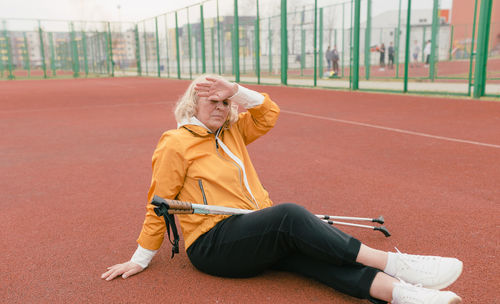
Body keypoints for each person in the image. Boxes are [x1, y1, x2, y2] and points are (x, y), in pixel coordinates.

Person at [101, 74, 463, 304]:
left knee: (313, 256)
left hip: (250, 230)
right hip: (212, 245)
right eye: (213, 101)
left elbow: (268, 113)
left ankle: (400, 292)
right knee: (289, 215)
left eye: (225, 103)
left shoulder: (232, 132)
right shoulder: (175, 143)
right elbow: (159, 204)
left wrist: (237, 91)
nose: (221, 108)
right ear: (192, 103)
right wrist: (140, 258)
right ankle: (399, 265)